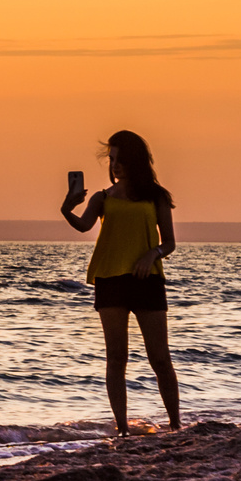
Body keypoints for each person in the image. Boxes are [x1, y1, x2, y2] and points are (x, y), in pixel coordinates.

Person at [62, 130, 182, 436]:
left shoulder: (157, 196)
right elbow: (83, 225)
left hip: (147, 280)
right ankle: (123, 429)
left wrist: (150, 254)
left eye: (120, 159)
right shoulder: (102, 198)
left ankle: (176, 424)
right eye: (111, 159)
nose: (114, 165)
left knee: (160, 358)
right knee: (116, 358)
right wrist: (67, 208)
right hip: (110, 280)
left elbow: (169, 242)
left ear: (134, 160)